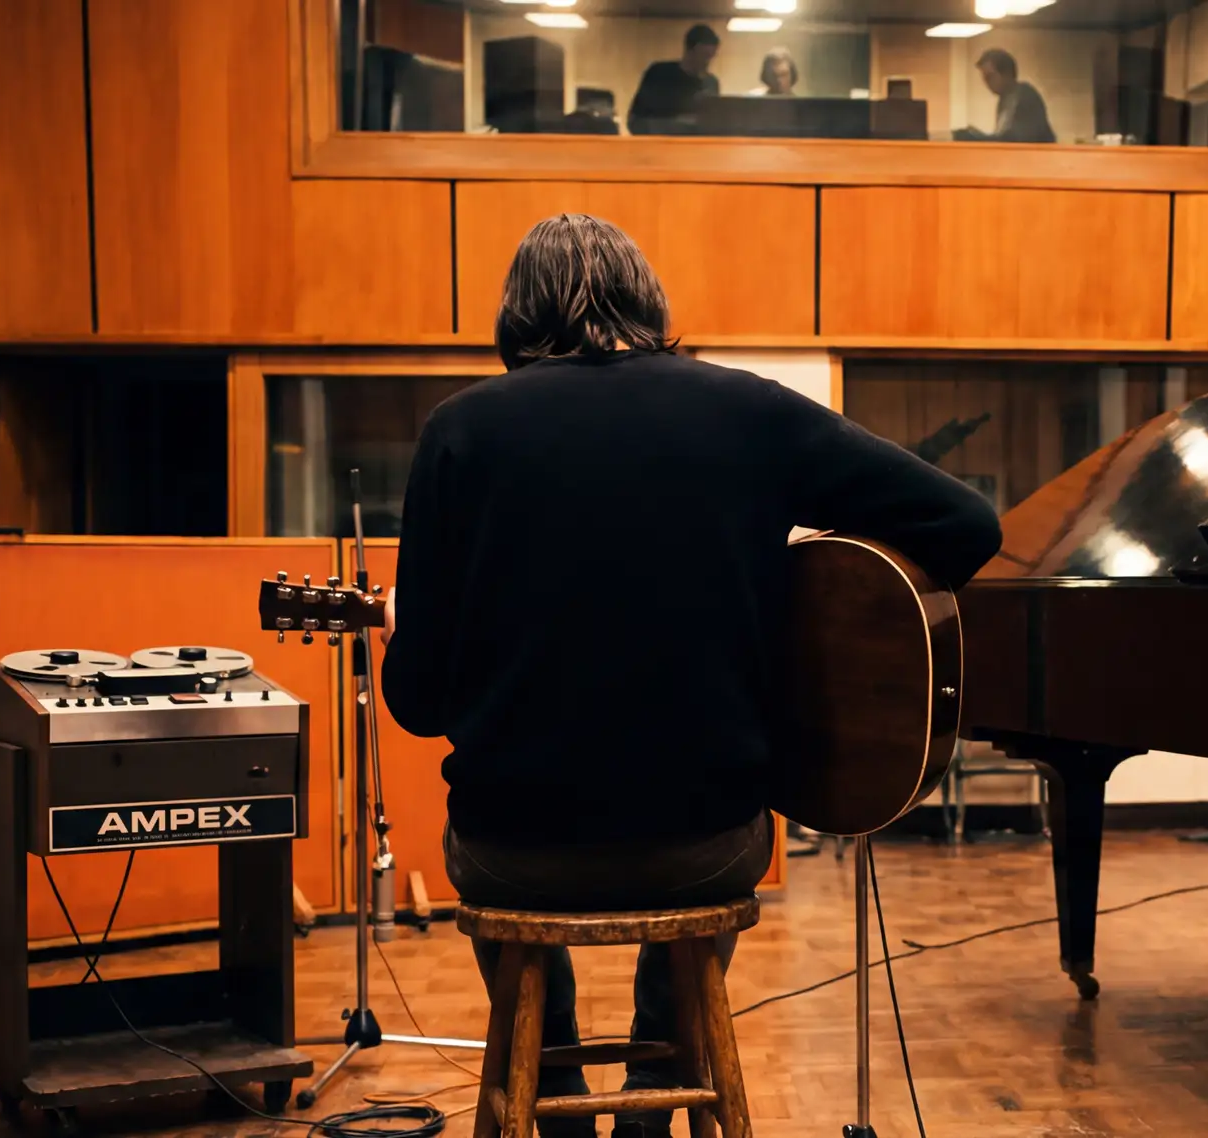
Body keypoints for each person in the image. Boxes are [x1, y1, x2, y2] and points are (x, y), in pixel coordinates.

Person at [380, 214, 1000, 1138]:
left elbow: (419, 705)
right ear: (650, 302)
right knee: (692, 856)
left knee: (503, 873)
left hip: (516, 845)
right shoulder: (749, 410)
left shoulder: (459, 432)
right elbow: (967, 525)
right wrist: (799, 597)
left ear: (514, 315)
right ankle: (648, 1105)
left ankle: (549, 1103)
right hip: (706, 839)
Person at [628, 24, 723, 135]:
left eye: (711, 57)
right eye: (704, 56)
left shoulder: (710, 83)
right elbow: (635, 121)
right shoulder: (659, 75)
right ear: (690, 51)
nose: (707, 62)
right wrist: (678, 124)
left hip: (695, 148)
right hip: (658, 146)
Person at [951, 47, 1055, 143]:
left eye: (990, 77)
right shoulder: (1005, 99)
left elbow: (1015, 141)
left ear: (1007, 74)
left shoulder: (1024, 96)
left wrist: (976, 137)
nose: (986, 83)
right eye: (984, 78)